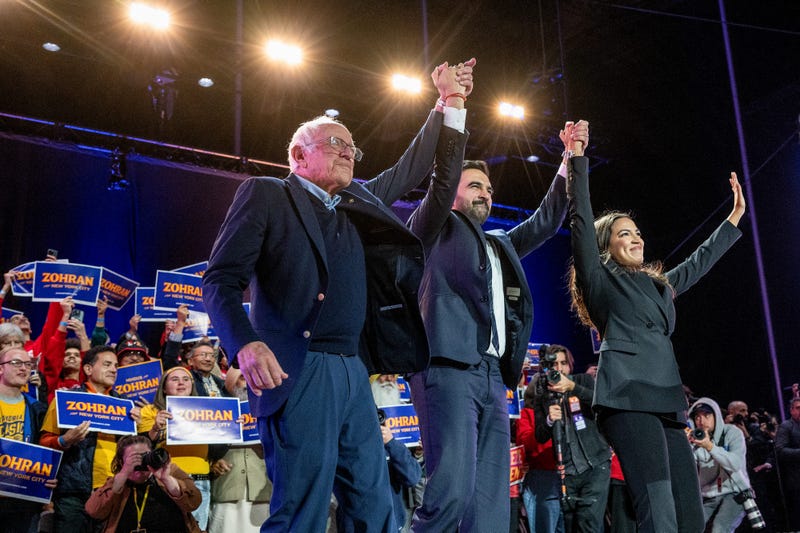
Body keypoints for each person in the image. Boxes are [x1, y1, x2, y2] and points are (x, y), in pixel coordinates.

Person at [202, 58, 474, 532]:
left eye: (352, 147)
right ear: (297, 155)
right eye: (334, 143)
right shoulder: (267, 194)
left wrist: (448, 104)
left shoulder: (359, 203)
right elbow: (219, 280)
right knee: (302, 512)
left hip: (353, 369)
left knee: (375, 508)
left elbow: (411, 166)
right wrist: (244, 343)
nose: (348, 152)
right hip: (298, 365)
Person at [405, 113, 587, 530]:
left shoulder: (500, 242)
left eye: (488, 188)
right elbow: (436, 193)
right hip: (448, 369)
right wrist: (452, 111)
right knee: (450, 490)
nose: (485, 193)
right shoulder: (433, 227)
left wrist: (566, 162)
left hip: (492, 376)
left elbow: (545, 221)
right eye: (474, 186)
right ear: (449, 193)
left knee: (489, 502)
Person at [566, 122, 746, 532]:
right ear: (605, 246)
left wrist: (734, 217)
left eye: (637, 232)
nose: (636, 238)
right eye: (623, 234)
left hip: (665, 399)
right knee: (658, 510)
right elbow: (579, 219)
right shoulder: (598, 278)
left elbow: (700, 261)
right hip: (627, 398)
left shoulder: (658, 286)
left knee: (689, 514)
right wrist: (576, 158)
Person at [39, 345, 137, 533]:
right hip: (73, 493)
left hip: (113, 491)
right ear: (88, 369)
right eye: (107, 364)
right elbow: (44, 441)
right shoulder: (66, 399)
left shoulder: (126, 405)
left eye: (116, 365)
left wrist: (138, 429)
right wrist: (64, 441)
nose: (114, 369)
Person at [532, 344, 611, 532]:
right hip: (566, 472)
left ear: (570, 365)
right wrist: (550, 420)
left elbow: (600, 404)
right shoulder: (543, 396)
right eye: (554, 365)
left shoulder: (583, 380)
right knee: (570, 526)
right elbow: (540, 436)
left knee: (588, 523)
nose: (559, 368)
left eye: (563, 363)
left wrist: (573, 387)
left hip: (595, 464)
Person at [137, 365, 226, 531]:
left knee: (195, 529)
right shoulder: (150, 411)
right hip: (165, 479)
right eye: (174, 379)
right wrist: (156, 427)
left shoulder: (207, 409)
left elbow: (221, 441)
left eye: (186, 379)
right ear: (164, 386)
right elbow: (143, 447)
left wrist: (234, 424)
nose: (181, 383)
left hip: (199, 481)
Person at [84, 434, 202, 532]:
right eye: (133, 458)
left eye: (144, 457)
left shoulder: (171, 471)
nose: (140, 462)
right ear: (121, 462)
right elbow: (93, 511)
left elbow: (194, 502)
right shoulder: (118, 482)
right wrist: (124, 474)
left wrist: (167, 480)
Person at [207, 368, 272, 533]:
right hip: (226, 488)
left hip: (262, 489)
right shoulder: (215, 411)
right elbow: (205, 447)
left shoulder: (269, 410)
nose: (248, 383)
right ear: (231, 383)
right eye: (243, 378)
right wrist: (212, 463)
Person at [0, 346, 56, 533]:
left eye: (27, 364)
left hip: (23, 499)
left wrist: (47, 475)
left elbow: (43, 452)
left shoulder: (37, 408)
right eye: (16, 363)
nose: (23, 368)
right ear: (1, 368)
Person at [689, 397, 751, 532]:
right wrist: (684, 445)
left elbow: (735, 464)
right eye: (697, 417)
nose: (702, 421)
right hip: (709, 495)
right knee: (691, 527)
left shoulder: (732, 432)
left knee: (719, 528)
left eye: (707, 415)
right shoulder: (694, 439)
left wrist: (710, 446)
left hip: (736, 492)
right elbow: (689, 473)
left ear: (716, 415)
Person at [517, 383, 565, 533]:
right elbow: (526, 443)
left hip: (568, 477)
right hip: (542, 478)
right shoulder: (527, 413)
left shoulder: (568, 411)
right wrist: (547, 423)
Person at [775, 397, 800, 530]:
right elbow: (780, 450)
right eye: (798, 408)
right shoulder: (786, 426)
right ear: (791, 410)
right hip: (795, 480)